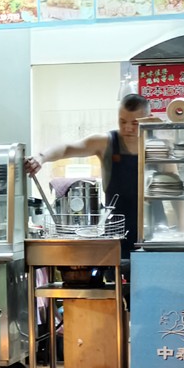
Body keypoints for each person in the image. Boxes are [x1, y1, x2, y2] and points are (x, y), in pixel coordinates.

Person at [24, 93, 150, 259]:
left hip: (152, 231)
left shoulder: (157, 146)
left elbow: (176, 188)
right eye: (122, 121)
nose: (127, 128)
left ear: (148, 119)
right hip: (117, 231)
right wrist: (41, 157)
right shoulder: (106, 142)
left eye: (135, 123)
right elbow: (67, 148)